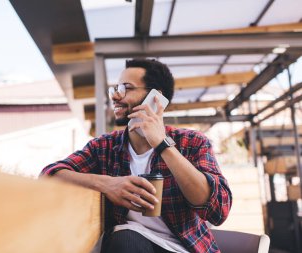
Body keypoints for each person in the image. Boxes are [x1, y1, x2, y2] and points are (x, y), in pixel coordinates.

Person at [40, 59, 232, 253]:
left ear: (156, 97)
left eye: (126, 88)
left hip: (185, 249)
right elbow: (50, 174)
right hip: (131, 244)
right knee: (123, 236)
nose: (115, 95)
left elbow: (218, 211)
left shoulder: (192, 142)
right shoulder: (104, 146)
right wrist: (108, 184)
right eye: (115, 88)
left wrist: (162, 144)